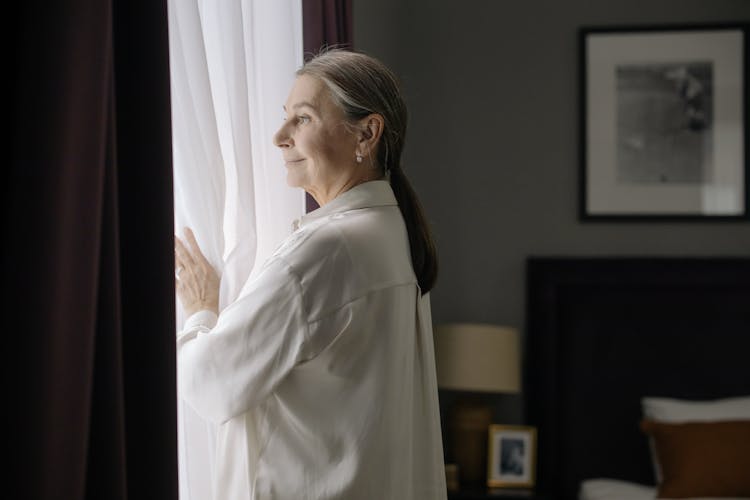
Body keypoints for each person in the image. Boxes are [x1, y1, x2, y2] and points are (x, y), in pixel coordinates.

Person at [174, 49, 447, 500]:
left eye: (302, 119)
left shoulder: (326, 251)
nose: (280, 136)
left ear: (367, 133)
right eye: (285, 117)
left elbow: (210, 385)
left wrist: (202, 311)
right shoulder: (391, 232)